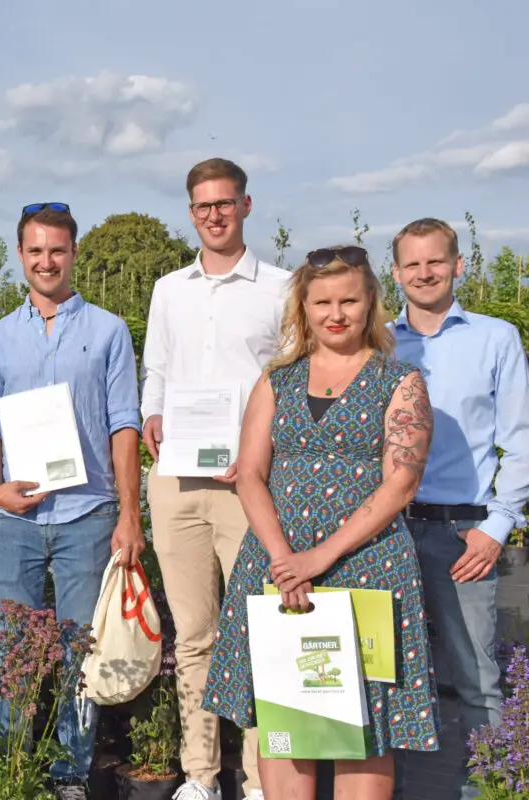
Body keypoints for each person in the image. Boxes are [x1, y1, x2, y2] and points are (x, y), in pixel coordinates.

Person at [203, 246, 440, 800]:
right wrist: (286, 560)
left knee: (365, 721)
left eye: (350, 300)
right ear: (303, 308)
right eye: (323, 301)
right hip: (277, 565)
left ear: (371, 303)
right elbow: (251, 476)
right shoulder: (276, 381)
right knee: (286, 717)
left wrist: (319, 557)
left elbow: (400, 485)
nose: (337, 313)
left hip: (368, 566)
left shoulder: (400, 381)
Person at [0, 202, 145, 800]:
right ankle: (11, 770)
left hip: (87, 515)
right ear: (21, 256)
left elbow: (124, 425)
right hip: (12, 517)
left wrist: (129, 514)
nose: (47, 261)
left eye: (58, 250)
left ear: (74, 254)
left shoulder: (109, 331)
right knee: (11, 653)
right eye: (36, 250)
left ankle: (70, 773)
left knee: (81, 651)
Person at [139, 158, 289, 800]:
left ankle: (259, 779)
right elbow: (158, 370)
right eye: (202, 206)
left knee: (258, 630)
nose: (214, 215)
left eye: (225, 203)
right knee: (194, 634)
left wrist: (259, 448)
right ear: (191, 212)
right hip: (177, 483)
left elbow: (290, 381)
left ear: (247, 206)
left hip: (245, 484)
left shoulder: (282, 288)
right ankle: (199, 775)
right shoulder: (169, 288)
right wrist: (151, 413)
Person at [389, 218, 529, 800]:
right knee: (384, 670)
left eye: (435, 261)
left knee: (476, 678)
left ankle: (486, 787)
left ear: (458, 264)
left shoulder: (495, 339)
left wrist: (497, 527)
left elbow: (520, 440)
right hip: (386, 529)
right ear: (394, 272)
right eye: (412, 264)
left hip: (464, 533)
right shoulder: (379, 342)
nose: (424, 273)